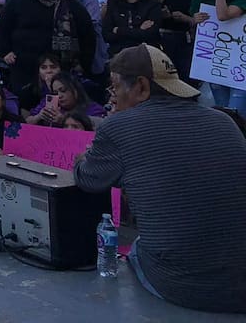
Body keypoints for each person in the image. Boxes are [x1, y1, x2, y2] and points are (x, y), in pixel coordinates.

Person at [74, 45, 246, 314]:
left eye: (115, 87)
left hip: (186, 286)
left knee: (138, 246)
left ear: (141, 87)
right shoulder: (224, 121)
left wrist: (83, 156)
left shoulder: (118, 128)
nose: (113, 98)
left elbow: (88, 179)